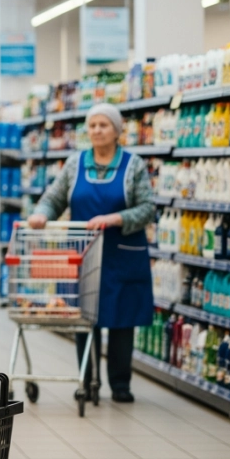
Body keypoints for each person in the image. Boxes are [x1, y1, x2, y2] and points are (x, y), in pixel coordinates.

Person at [27, 103, 155, 403]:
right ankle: (87, 379)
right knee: (84, 317)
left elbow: (148, 208)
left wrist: (116, 219)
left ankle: (120, 384)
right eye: (92, 125)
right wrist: (41, 214)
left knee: (122, 320)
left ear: (117, 130)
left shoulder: (133, 165)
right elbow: (54, 198)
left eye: (104, 125)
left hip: (121, 253)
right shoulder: (75, 164)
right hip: (82, 253)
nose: (97, 130)